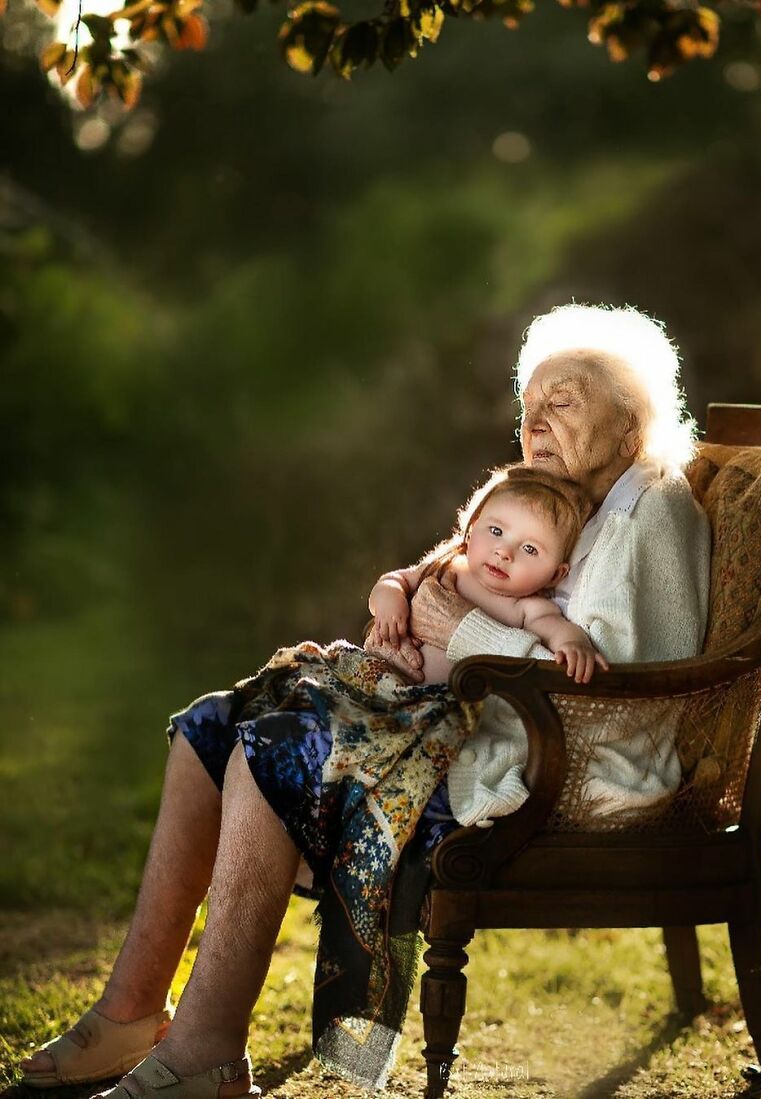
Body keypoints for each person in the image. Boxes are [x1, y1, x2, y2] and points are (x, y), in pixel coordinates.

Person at [20, 303, 711, 1098]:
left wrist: (456, 627)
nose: (537, 419)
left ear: (630, 429)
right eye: (529, 406)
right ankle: (131, 1013)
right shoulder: (561, 503)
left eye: (565, 400)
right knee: (212, 727)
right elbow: (456, 586)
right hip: (483, 722)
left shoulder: (650, 510)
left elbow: (617, 698)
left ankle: (205, 1052)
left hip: (554, 769)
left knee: (273, 747)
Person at [369, 464, 604, 685]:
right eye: (496, 531)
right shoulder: (449, 565)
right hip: (379, 677)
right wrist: (389, 601)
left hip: (443, 704)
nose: (503, 552)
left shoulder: (528, 608)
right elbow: (393, 581)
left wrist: (575, 645)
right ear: (471, 530)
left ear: (555, 575)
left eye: (530, 549)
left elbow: (559, 631)